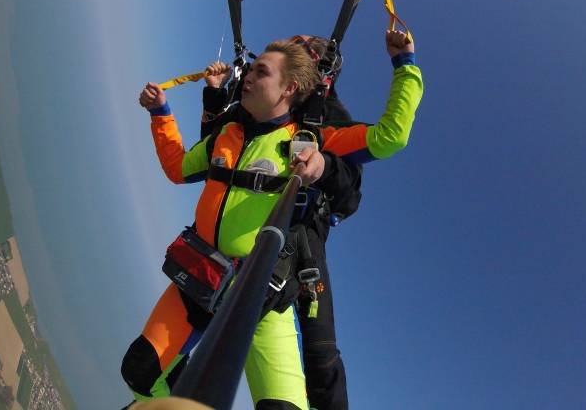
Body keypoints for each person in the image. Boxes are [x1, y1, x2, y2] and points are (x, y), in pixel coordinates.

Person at [123, 31, 423, 409]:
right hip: (199, 281)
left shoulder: (309, 137)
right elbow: (177, 168)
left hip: (260, 296)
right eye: (250, 69)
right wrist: (161, 114)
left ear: (288, 89)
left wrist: (405, 65)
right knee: (140, 372)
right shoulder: (226, 135)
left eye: (260, 72)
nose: (247, 76)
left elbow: (389, 137)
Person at [197, 35, 361, 410]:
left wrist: (323, 167)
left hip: (302, 238)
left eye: (305, 48)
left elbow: (350, 194)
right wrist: (215, 96)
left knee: (320, 349)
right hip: (252, 227)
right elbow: (216, 151)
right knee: (205, 306)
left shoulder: (329, 114)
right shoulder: (264, 95)